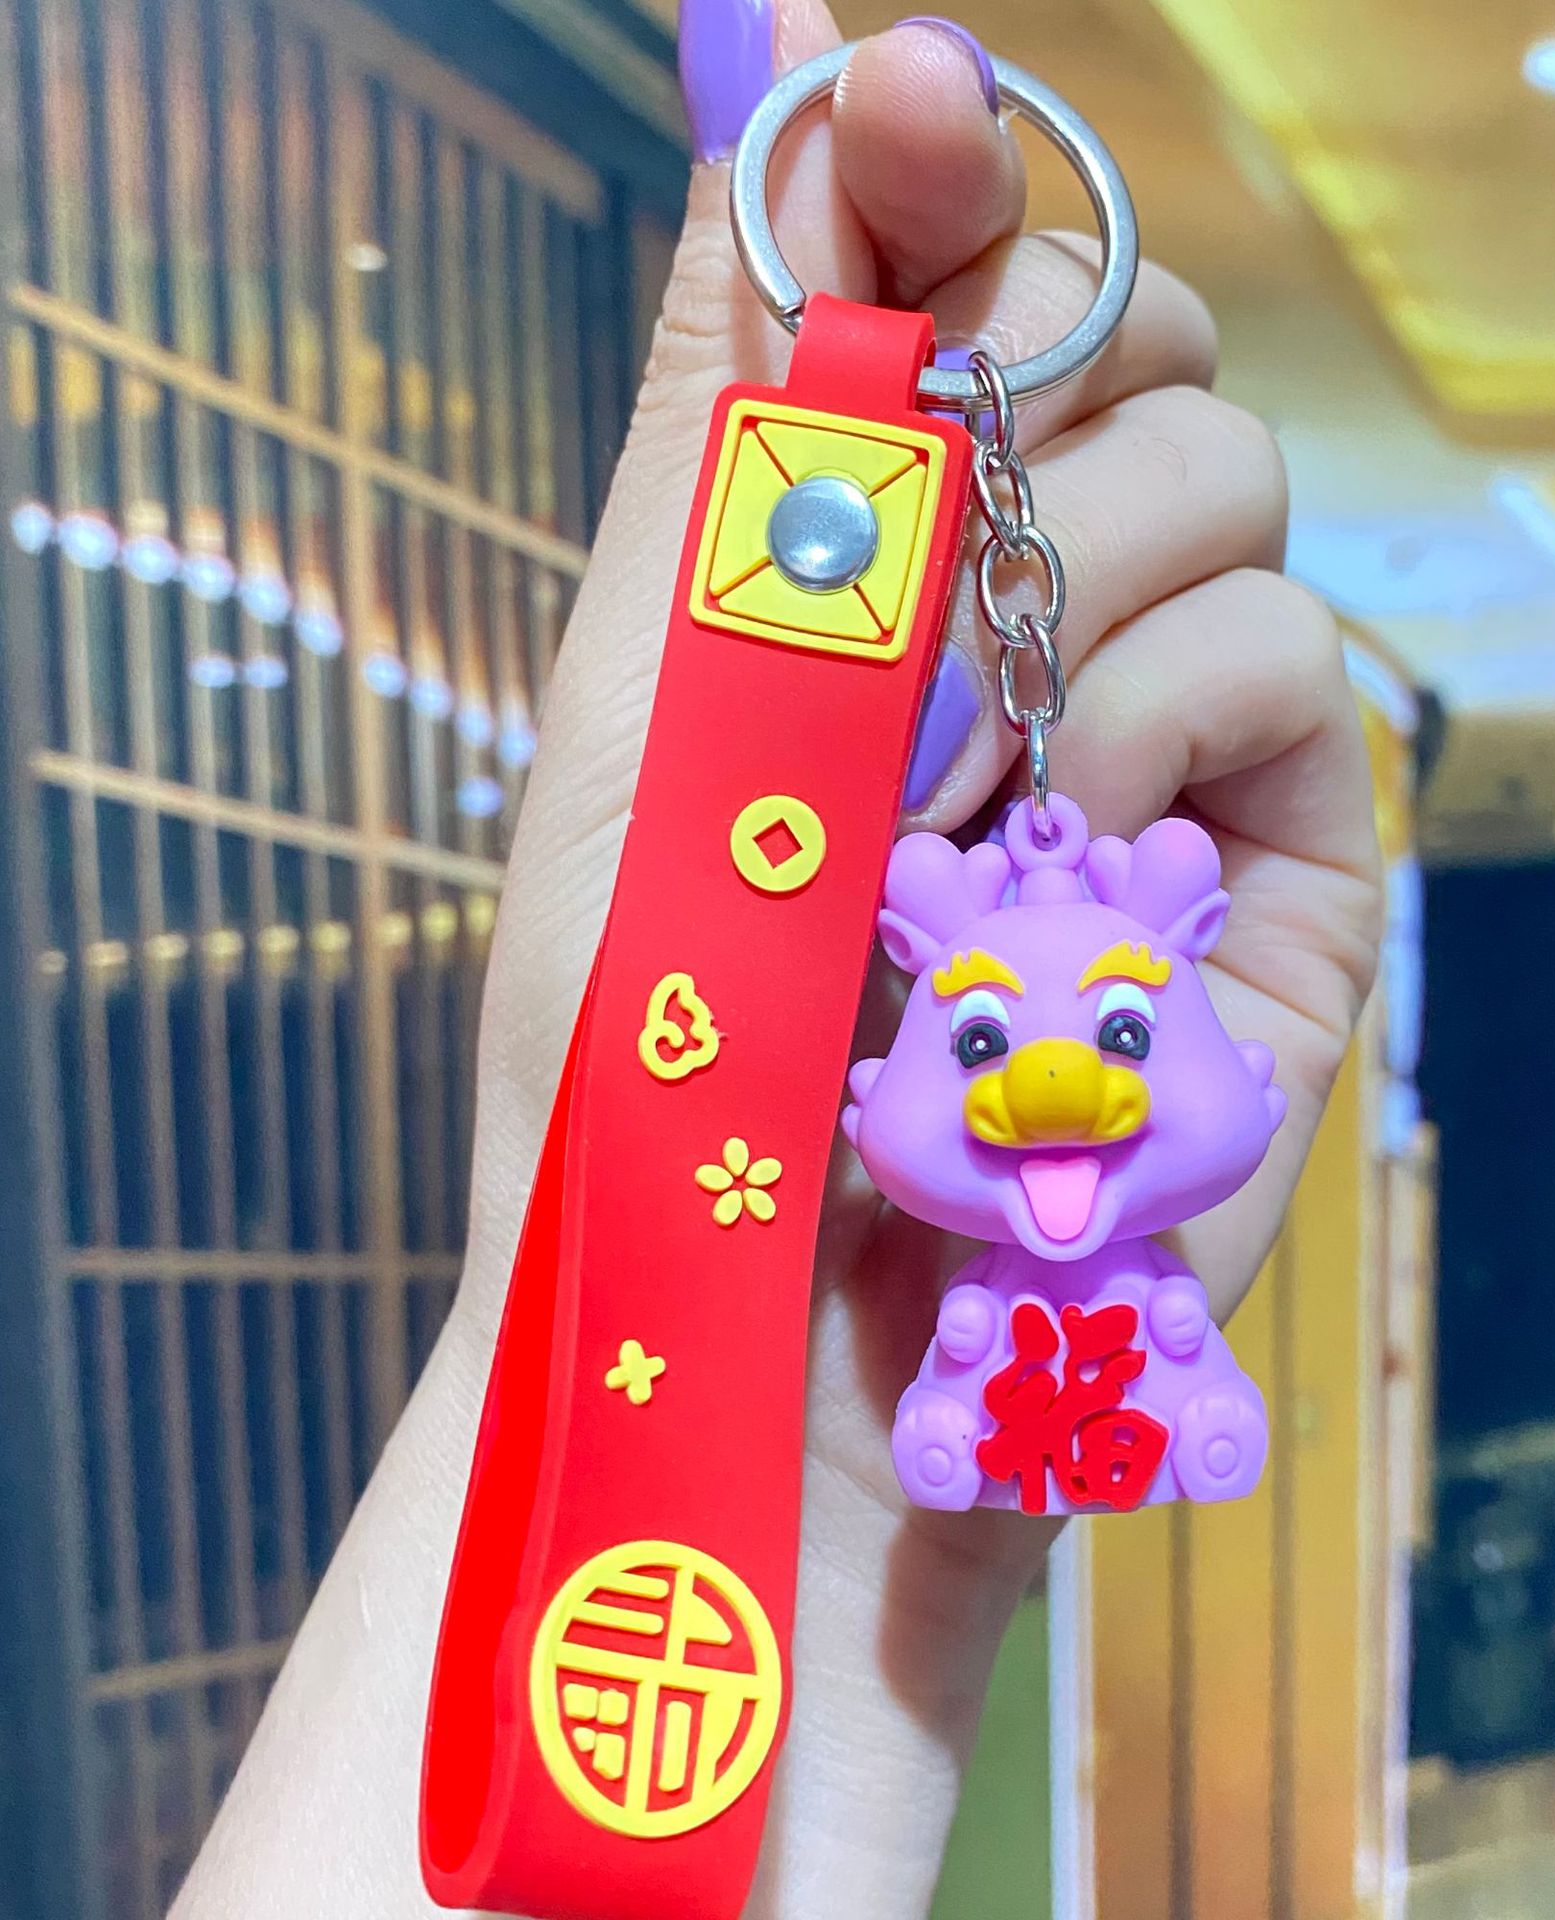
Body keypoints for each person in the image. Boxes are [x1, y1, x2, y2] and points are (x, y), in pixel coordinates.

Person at [173, 7, 1381, 1914]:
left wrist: (840, 1542)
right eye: (973, 1046)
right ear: (884, 1066)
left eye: (1127, 1029)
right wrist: (656, 1276)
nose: (1057, 1088)